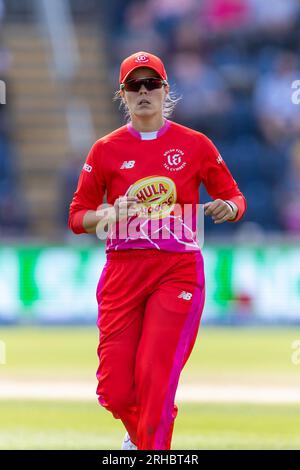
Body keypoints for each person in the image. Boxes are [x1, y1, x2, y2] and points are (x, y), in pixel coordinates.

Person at [68, 51, 246, 450]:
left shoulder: (195, 145)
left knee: (156, 378)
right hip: (123, 272)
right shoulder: (105, 150)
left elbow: (233, 196)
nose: (144, 92)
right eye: (135, 85)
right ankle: (143, 437)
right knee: (114, 392)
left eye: (152, 84)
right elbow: (77, 217)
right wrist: (110, 214)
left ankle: (152, 444)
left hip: (178, 270)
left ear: (166, 90)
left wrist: (229, 208)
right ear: (123, 94)